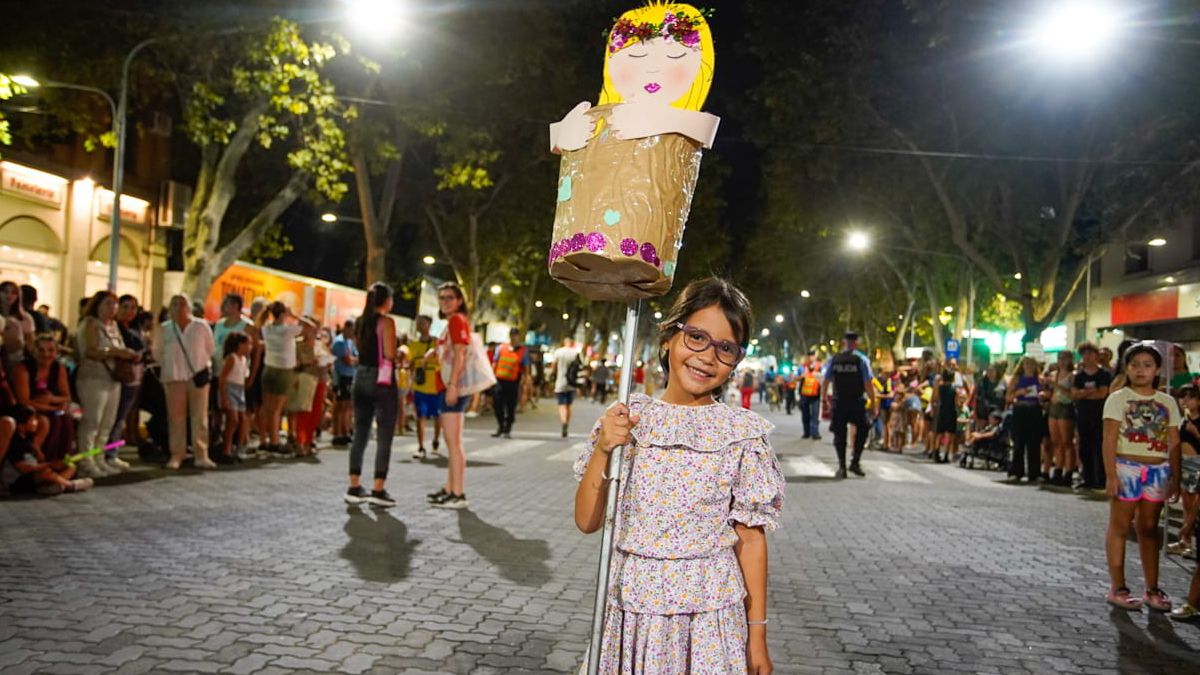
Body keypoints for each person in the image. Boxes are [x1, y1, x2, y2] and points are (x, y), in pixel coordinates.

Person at [573, 276, 784, 673]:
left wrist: (757, 637)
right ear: (669, 337)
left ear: (737, 360)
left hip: (708, 619)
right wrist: (604, 448)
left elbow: (751, 541)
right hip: (631, 612)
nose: (707, 356)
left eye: (726, 348)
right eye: (696, 337)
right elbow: (587, 521)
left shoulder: (741, 434)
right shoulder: (627, 420)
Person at [1102, 342, 1181, 612]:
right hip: (1127, 468)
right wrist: (1111, 474)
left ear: (1157, 370)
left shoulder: (1167, 402)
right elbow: (1109, 439)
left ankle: (1152, 587)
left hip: (1158, 471)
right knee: (1120, 526)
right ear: (1126, 368)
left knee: (1148, 528)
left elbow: (1174, 443)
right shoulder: (1118, 398)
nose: (1141, 370)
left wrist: (1176, 477)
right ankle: (1118, 586)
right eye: (1135, 365)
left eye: (1147, 365)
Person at [344, 283, 399, 508]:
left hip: (361, 377)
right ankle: (378, 488)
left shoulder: (360, 322)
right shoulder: (386, 322)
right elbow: (390, 353)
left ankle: (354, 485)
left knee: (360, 434)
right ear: (386, 301)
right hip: (382, 380)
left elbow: (361, 350)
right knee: (384, 435)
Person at [74, 291, 140, 478]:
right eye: (108, 303)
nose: (113, 308)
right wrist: (117, 352)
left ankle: (99, 457)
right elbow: (90, 351)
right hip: (93, 377)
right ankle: (86, 461)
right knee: (92, 421)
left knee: (107, 422)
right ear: (98, 305)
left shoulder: (113, 326)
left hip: (112, 378)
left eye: (114, 304)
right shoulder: (91, 324)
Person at [154, 294, 216, 470]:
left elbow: (210, 349)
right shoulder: (165, 328)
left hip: (197, 377)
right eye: (174, 304)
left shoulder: (201, 326)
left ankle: (201, 454)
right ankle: (177, 454)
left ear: (189, 306)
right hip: (173, 377)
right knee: (175, 418)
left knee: (200, 417)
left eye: (182, 303)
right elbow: (157, 352)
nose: (178, 307)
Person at [427, 282, 472, 509]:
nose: (445, 301)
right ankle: (450, 488)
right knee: (451, 441)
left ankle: (458, 493)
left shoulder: (456, 320)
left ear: (459, 300)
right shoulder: (450, 322)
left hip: (451, 387)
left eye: (449, 298)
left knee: (453, 443)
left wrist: (453, 385)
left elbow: (460, 354)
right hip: (447, 386)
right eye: (442, 297)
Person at [0, 405, 92, 496]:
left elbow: (40, 459)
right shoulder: (15, 443)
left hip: (34, 474)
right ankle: (70, 485)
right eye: (32, 420)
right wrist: (50, 465)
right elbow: (23, 468)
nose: (36, 422)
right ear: (20, 425)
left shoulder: (28, 440)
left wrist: (38, 452)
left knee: (71, 467)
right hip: (18, 479)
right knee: (45, 472)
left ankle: (54, 486)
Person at [257, 301, 311, 454]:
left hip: (269, 368)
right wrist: (293, 314)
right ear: (282, 314)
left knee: (265, 407)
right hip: (284, 370)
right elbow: (308, 326)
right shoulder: (288, 330)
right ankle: (274, 441)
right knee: (276, 409)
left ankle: (263, 439)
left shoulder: (266, 329)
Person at [823, 332, 876, 479]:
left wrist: (824, 401)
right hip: (854, 402)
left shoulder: (835, 360)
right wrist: (874, 403)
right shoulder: (861, 360)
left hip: (842, 402)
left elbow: (826, 380)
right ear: (857, 343)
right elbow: (868, 383)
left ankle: (847, 465)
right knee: (856, 431)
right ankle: (849, 463)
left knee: (846, 433)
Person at [12, 335, 72, 463]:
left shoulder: (58, 368)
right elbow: (24, 401)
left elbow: (66, 396)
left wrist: (51, 399)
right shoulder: (23, 368)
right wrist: (53, 407)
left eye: (51, 350)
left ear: (56, 352)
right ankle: (46, 462)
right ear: (34, 351)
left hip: (49, 406)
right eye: (41, 350)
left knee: (66, 419)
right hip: (27, 409)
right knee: (53, 419)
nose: (46, 354)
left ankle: (62, 461)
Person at [108, 295, 147, 450]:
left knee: (125, 414)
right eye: (125, 307)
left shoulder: (135, 329)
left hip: (136, 376)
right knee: (116, 416)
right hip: (120, 375)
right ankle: (109, 451)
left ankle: (114, 450)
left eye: (133, 308)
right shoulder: (115, 328)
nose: (130, 311)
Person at [1073, 342, 1113, 491]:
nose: (1087, 357)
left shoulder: (1103, 374)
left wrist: (1084, 393)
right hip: (1083, 415)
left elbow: (1102, 393)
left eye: (1090, 354)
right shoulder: (1079, 376)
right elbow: (1074, 394)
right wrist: (1090, 392)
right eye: (1084, 354)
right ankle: (1087, 478)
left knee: (1099, 446)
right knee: (1084, 447)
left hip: (1099, 415)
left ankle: (1101, 479)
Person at [1005, 356, 1045, 484]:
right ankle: (1016, 471)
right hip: (1021, 410)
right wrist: (1020, 392)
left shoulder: (1040, 379)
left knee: (1034, 443)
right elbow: (1008, 397)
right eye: (1027, 364)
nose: (1029, 367)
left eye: (1032, 364)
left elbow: (1045, 392)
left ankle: (1034, 472)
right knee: (1019, 442)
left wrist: (1042, 396)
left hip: (1034, 410)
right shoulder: (1016, 379)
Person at [409, 315, 442, 459]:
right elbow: (410, 365)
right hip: (420, 386)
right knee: (420, 417)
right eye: (418, 323)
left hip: (435, 387)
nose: (420, 326)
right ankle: (421, 446)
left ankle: (435, 440)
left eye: (422, 323)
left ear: (429, 325)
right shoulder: (414, 345)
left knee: (437, 416)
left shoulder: (437, 343)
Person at [217, 332, 252, 462]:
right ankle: (226, 449)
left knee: (243, 420)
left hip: (239, 389)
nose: (250, 347)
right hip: (230, 388)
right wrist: (224, 396)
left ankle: (239, 447)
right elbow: (223, 378)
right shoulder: (232, 358)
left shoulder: (244, 360)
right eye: (248, 344)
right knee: (233, 420)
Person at [1047, 350, 1078, 486]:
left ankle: (1068, 471)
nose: (1061, 361)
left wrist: (1056, 385)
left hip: (1066, 406)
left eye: (1065, 358)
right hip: (1054, 406)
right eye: (1060, 358)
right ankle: (1058, 469)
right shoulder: (1054, 374)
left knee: (1066, 441)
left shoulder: (1072, 375)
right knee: (1056, 441)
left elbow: (1072, 394)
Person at [491, 328, 529, 439]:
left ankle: (507, 427)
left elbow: (526, 367)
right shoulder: (501, 348)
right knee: (497, 404)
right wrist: (491, 377)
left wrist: (525, 381)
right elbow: (495, 362)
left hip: (513, 382)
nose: (514, 337)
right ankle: (500, 425)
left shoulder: (523, 351)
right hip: (499, 381)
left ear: (519, 336)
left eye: (516, 335)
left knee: (511, 406)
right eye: (512, 335)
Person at [330, 320, 358, 446]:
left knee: (347, 405)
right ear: (346, 328)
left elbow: (355, 357)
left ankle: (345, 430)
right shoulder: (340, 342)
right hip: (342, 376)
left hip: (350, 376)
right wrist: (354, 360)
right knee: (340, 406)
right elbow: (348, 360)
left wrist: (354, 359)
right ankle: (338, 432)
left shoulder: (350, 342)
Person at [551, 337, 582, 439]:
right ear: (572, 343)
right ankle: (566, 424)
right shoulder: (575, 353)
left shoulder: (558, 352)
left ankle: (563, 422)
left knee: (562, 405)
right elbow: (579, 368)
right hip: (572, 384)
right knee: (568, 405)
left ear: (564, 343)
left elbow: (554, 366)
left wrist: (553, 375)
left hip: (560, 382)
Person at [1, 281, 34, 371]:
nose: (9, 295)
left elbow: (31, 342)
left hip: (18, 361)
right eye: (5, 292)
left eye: (13, 293)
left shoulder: (25, 317)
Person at [931, 370, 960, 463]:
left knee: (940, 433)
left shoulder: (940, 388)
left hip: (942, 410)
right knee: (949, 434)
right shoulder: (955, 389)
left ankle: (936, 452)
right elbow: (957, 402)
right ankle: (946, 454)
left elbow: (936, 398)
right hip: (951, 411)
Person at [799, 360, 822, 439]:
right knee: (814, 416)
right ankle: (814, 433)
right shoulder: (818, 375)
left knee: (807, 415)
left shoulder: (805, 375)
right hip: (813, 398)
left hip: (807, 397)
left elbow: (800, 387)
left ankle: (807, 433)